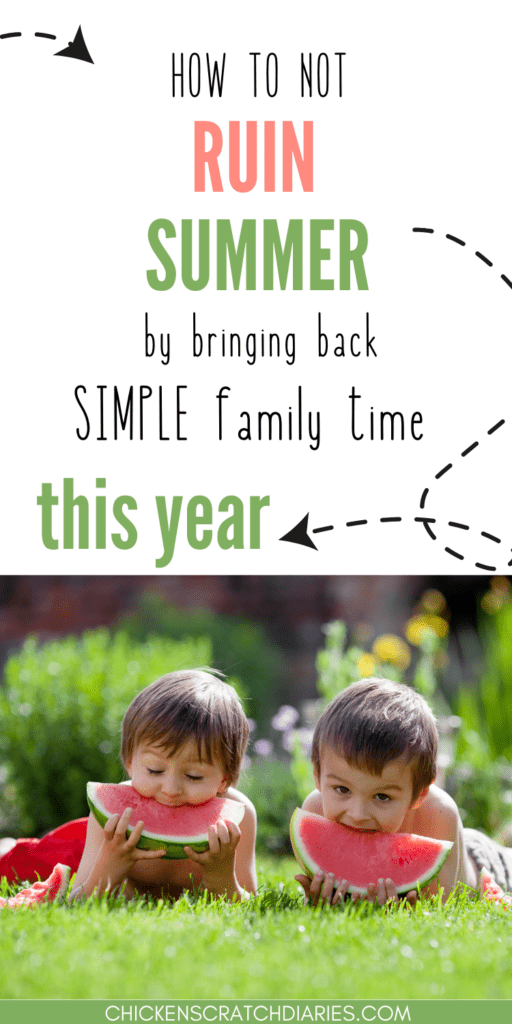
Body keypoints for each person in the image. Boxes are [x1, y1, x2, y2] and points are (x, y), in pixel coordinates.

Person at [294, 677, 512, 906]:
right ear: (317, 776)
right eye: (342, 789)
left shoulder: (439, 814)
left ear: (419, 795)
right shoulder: (313, 812)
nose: (358, 814)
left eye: (382, 796)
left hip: (484, 861)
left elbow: (444, 907)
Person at [68, 670, 257, 901]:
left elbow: (250, 908)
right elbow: (74, 903)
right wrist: (109, 865)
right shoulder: (114, 817)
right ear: (130, 762)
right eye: (154, 770)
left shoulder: (239, 817)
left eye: (194, 776)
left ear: (224, 780)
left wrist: (222, 878)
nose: (171, 789)